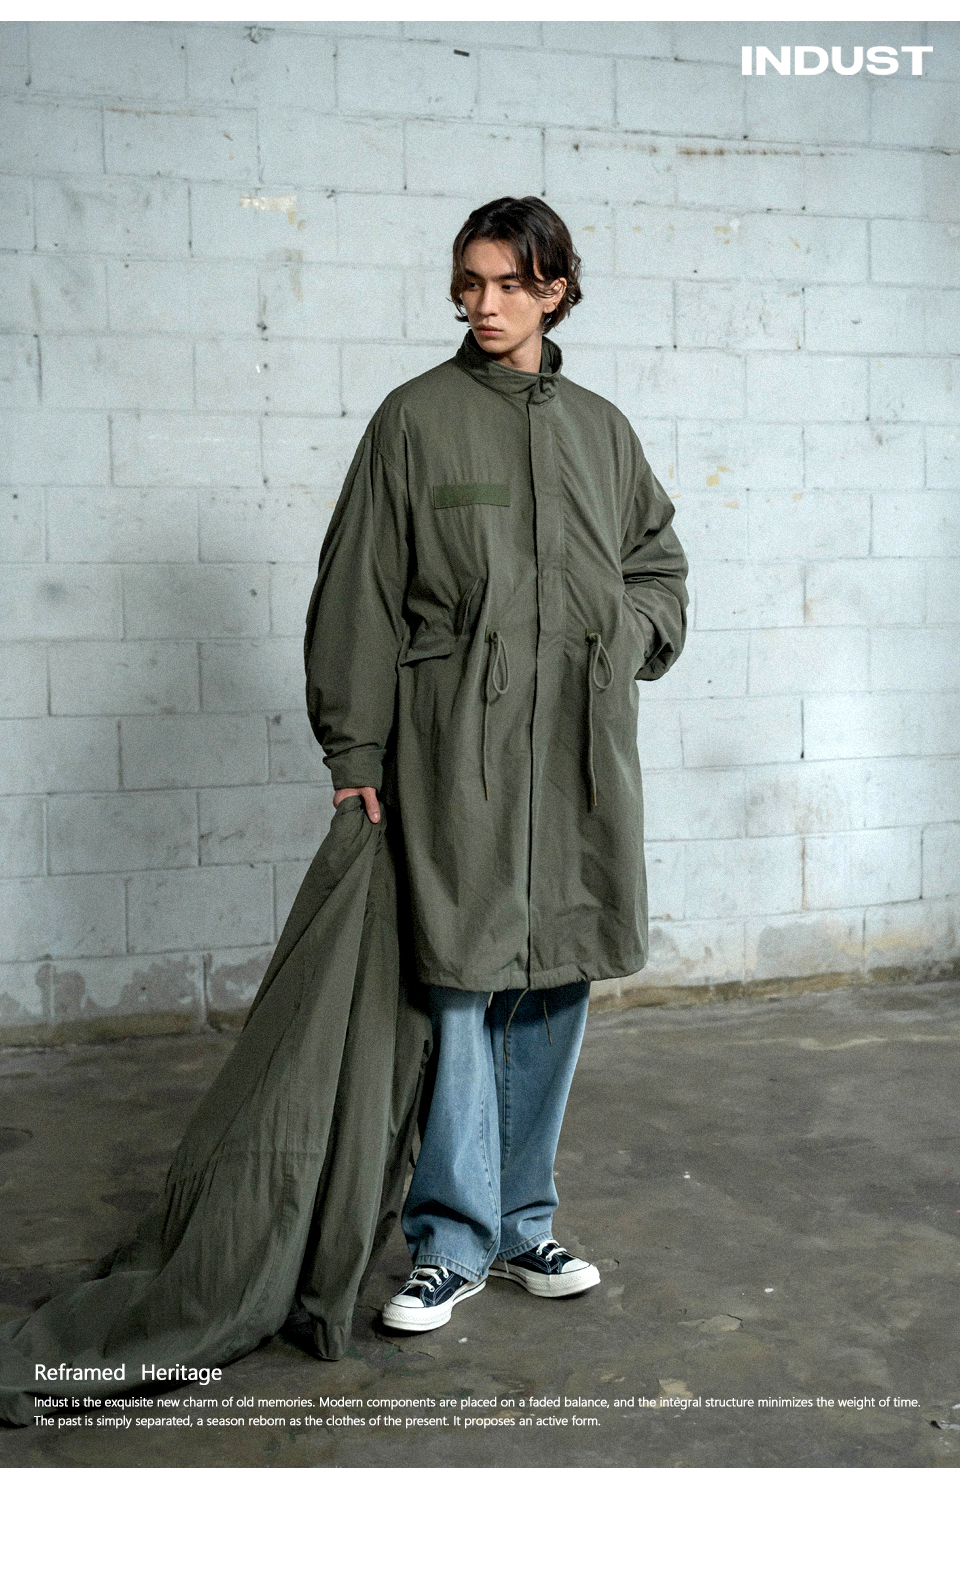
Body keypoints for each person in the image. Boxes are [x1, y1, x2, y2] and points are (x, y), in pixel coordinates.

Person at [303, 195, 688, 1335]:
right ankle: (450, 1242)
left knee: (557, 975)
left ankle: (524, 1226)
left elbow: (658, 567)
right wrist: (354, 747)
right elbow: (359, 591)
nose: (485, 304)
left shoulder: (603, 430)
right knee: (463, 980)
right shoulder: (414, 420)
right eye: (470, 283)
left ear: (555, 291)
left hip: (578, 747)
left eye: (511, 284)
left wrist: (625, 635)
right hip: (455, 743)